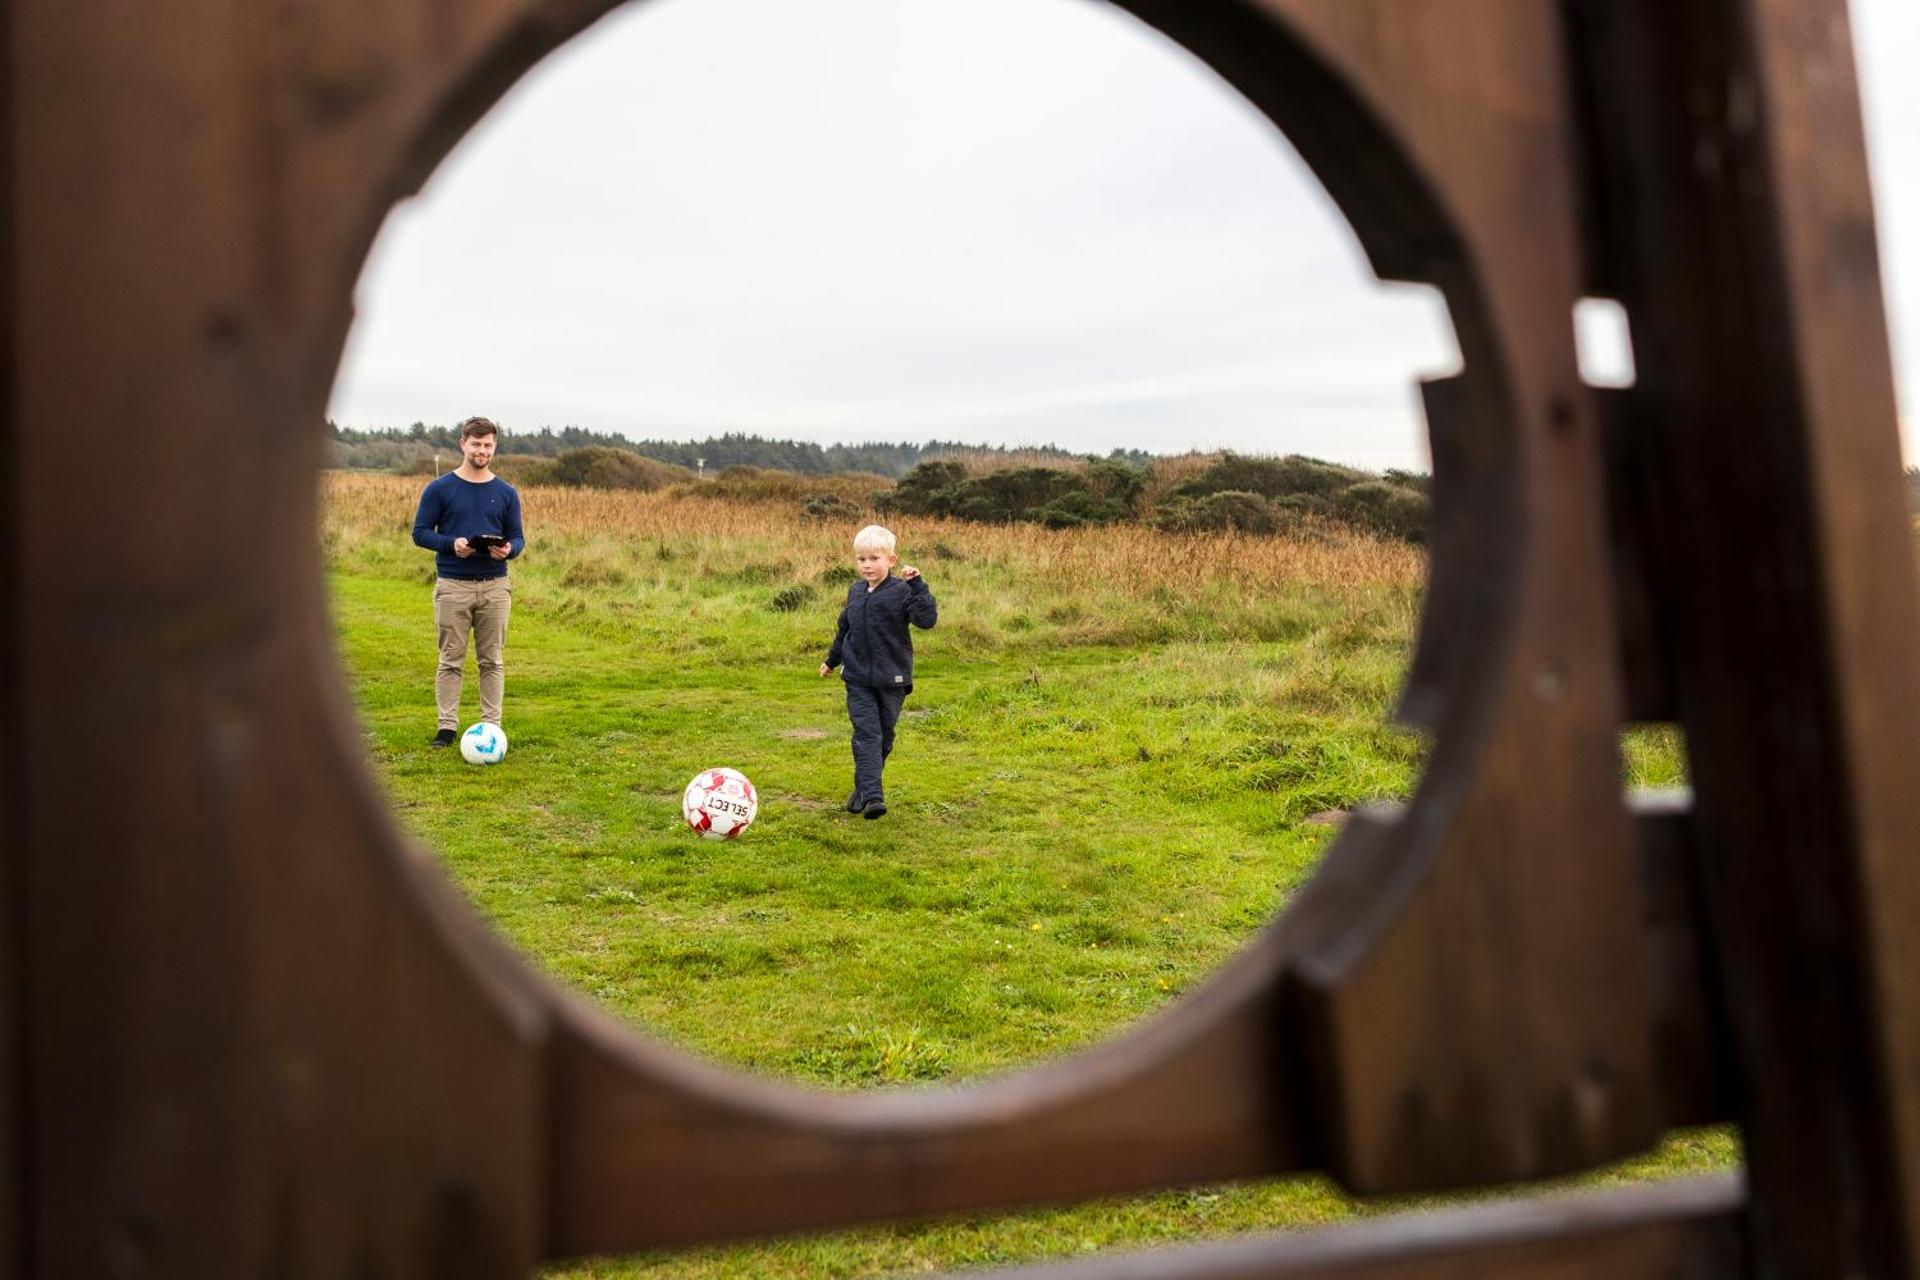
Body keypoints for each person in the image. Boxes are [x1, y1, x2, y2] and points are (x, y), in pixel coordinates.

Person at [412, 416, 525, 747]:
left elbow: (518, 538)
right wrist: (452, 544)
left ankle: (492, 727)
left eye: (488, 445)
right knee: (451, 660)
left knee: (492, 661)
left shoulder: (506, 492)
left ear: (495, 447)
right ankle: (446, 728)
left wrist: (508, 550)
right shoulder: (440, 489)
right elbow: (419, 533)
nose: (482, 451)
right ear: (463, 444)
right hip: (452, 586)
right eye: (476, 444)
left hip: (495, 587)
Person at [819, 524, 937, 818]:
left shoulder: (902, 591)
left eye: (874, 558)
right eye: (861, 559)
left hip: (892, 679)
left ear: (891, 560)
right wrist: (832, 660)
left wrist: (919, 587)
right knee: (867, 733)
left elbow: (926, 620)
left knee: (884, 737)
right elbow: (845, 630)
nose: (867, 565)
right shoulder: (855, 591)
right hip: (857, 678)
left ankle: (862, 787)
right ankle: (873, 796)